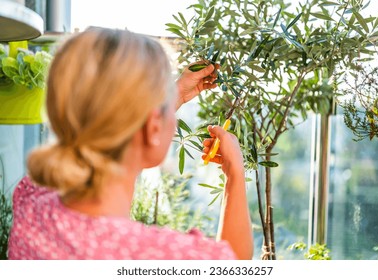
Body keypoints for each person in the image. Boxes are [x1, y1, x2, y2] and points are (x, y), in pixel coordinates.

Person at [8, 27, 253, 260]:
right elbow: (233, 262)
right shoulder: (155, 255)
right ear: (153, 126)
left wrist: (172, 96)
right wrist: (235, 173)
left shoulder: (31, 203)